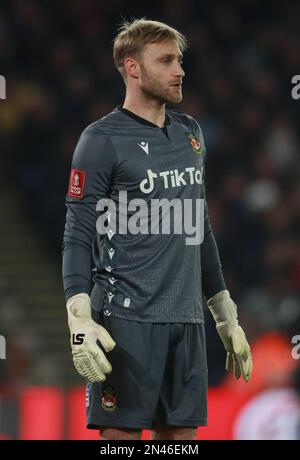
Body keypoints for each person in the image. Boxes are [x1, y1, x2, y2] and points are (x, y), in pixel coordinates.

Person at [62, 18, 252, 441]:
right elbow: (77, 232)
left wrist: (224, 315)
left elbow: (198, 228)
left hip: (186, 322)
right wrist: (78, 316)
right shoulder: (100, 140)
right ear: (132, 68)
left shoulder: (190, 133)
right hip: (125, 321)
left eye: (179, 60)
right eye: (165, 61)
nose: (179, 70)